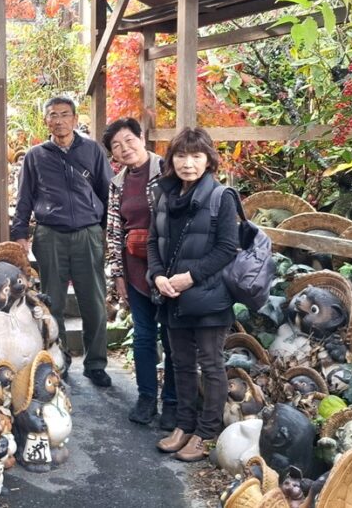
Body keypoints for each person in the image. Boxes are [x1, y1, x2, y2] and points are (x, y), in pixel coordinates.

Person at [147, 127, 239, 462]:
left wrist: (189, 277)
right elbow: (153, 242)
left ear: (208, 160)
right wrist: (157, 276)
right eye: (181, 155)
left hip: (209, 296)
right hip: (172, 295)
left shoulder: (221, 197)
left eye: (196, 156)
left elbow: (227, 248)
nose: (188, 164)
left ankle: (206, 433)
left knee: (211, 365)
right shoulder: (163, 195)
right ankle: (184, 426)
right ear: (171, 159)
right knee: (181, 363)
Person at [11, 97, 113, 386]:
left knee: (93, 302)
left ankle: (96, 363)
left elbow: (107, 192)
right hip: (50, 234)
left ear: (75, 118)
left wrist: (106, 232)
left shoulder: (92, 150)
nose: (59, 120)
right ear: (46, 121)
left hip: (87, 233)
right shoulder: (35, 156)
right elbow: (24, 197)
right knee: (52, 303)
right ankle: (58, 360)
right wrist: (20, 233)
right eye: (53, 115)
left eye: (64, 114)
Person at [103, 118, 177, 430]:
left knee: (173, 337)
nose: (125, 149)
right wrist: (118, 275)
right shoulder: (117, 183)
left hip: (170, 269)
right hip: (135, 269)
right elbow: (114, 231)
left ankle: (172, 402)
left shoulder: (168, 171)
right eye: (116, 146)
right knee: (144, 336)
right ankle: (147, 397)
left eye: (129, 140)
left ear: (141, 138)